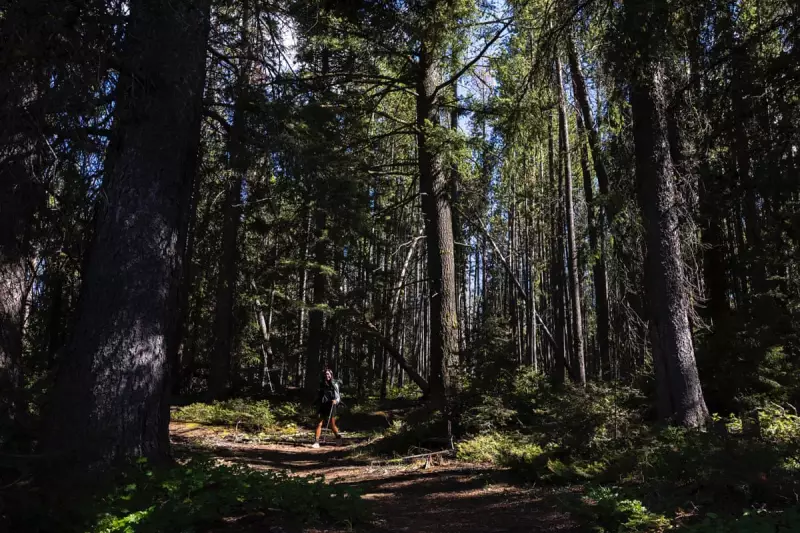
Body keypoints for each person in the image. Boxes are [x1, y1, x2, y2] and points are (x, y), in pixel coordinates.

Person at [312, 368, 342, 448]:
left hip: (331, 405)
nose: (327, 375)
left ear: (331, 375)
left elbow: (338, 397)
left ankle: (338, 438)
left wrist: (336, 401)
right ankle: (316, 442)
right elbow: (318, 395)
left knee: (332, 425)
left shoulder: (334, 384)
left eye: (328, 374)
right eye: (325, 374)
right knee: (319, 423)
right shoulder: (321, 384)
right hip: (322, 405)